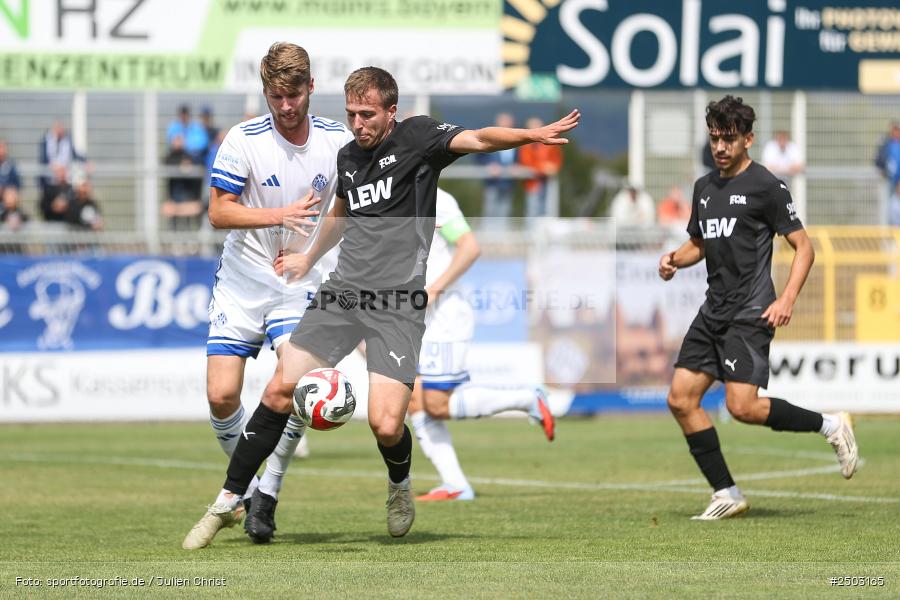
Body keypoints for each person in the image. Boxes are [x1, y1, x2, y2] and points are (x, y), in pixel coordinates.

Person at [183, 65, 579, 546]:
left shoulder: (418, 137)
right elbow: (341, 214)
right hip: (344, 292)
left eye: (367, 114)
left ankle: (399, 485)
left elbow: (478, 139)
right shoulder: (348, 156)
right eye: (351, 113)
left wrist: (531, 135)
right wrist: (309, 257)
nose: (358, 124)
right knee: (277, 392)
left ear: (391, 111)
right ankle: (227, 500)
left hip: (397, 304)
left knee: (387, 424)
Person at [181, 42, 352, 549]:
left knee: (291, 383)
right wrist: (280, 215)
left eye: (293, 95)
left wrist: (317, 252)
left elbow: (349, 210)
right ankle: (252, 492)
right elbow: (219, 212)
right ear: (266, 92)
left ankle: (267, 493)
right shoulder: (243, 139)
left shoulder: (338, 141)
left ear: (310, 88)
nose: (285, 106)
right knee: (221, 395)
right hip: (243, 278)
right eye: (275, 96)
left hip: (300, 280)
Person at [658, 95, 858, 521]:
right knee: (680, 399)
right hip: (713, 310)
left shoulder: (766, 186)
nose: (720, 147)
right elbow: (699, 242)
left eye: (729, 139)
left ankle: (832, 425)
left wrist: (786, 299)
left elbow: (804, 248)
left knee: (742, 407)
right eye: (714, 138)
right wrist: (674, 257)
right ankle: (726, 492)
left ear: (748, 139)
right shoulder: (705, 188)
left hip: (750, 311)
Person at [410, 188, 554, 502]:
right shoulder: (387, 195)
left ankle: (527, 398)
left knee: (435, 404)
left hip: (444, 314)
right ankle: (456, 484)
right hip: (412, 318)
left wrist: (433, 290)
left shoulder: (437, 199)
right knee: (415, 402)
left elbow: (469, 247)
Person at [477, 112, 517, 228]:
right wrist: (489, 165)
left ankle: (500, 238)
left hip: (508, 182)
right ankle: (489, 237)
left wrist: (515, 166)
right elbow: (479, 155)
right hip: (492, 182)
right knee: (490, 210)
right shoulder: (490, 137)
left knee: (504, 211)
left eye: (508, 122)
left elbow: (519, 158)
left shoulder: (516, 139)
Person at [518, 117, 563, 220]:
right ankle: (532, 234)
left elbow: (556, 160)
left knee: (546, 210)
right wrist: (543, 168)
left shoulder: (550, 143)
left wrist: (553, 168)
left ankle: (542, 233)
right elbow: (526, 163)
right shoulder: (525, 146)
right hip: (533, 183)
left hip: (548, 181)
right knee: (532, 209)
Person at [875, 122, 900, 225]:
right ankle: (887, 235)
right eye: (894, 130)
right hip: (888, 181)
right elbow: (879, 160)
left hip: (898, 181)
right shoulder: (886, 144)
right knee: (887, 208)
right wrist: (883, 171)